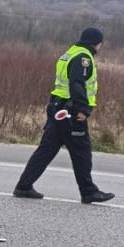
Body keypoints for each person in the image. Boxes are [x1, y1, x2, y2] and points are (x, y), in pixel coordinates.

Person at [13, 27, 114, 203]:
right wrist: (83, 109)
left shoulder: (69, 53)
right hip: (71, 111)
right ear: (96, 43)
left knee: (46, 150)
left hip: (58, 108)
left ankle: (24, 185)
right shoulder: (83, 58)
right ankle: (89, 191)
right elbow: (77, 84)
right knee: (82, 152)